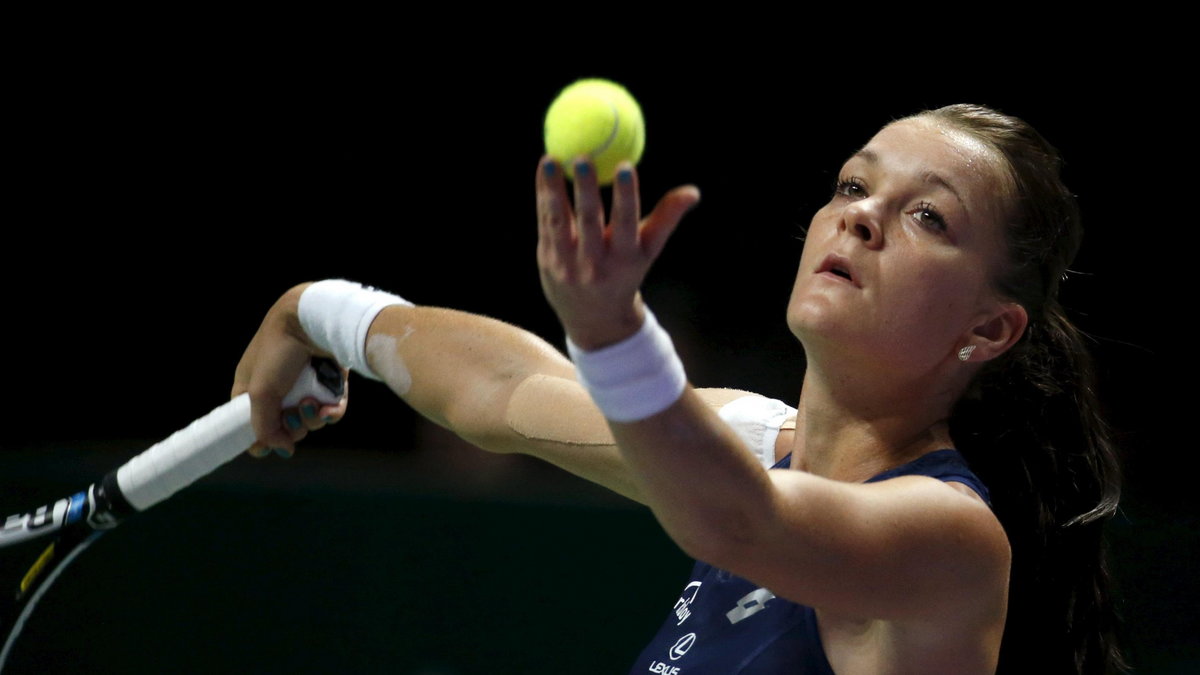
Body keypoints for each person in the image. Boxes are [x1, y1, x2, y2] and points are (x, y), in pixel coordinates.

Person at [232, 104, 1123, 673]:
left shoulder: (952, 539)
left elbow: (739, 522)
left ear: (988, 329)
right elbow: (507, 392)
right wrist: (320, 310)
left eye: (928, 215)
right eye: (856, 183)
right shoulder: (748, 442)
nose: (861, 214)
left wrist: (613, 331)